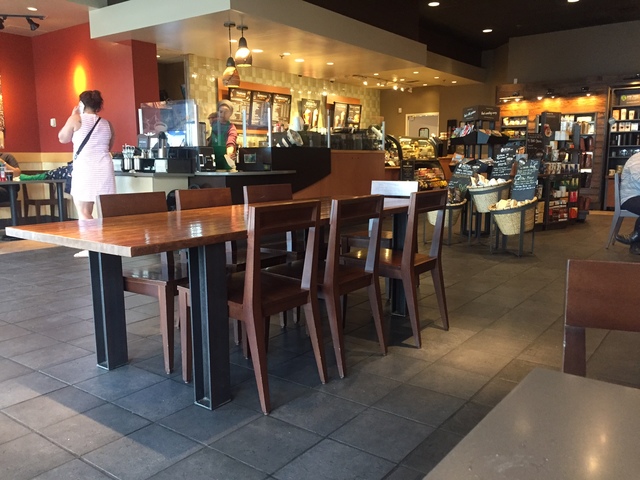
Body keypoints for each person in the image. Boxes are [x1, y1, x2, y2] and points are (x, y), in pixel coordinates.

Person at [58, 90, 115, 257]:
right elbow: (109, 145)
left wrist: (72, 116)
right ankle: (104, 244)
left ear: (81, 104)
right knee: (102, 209)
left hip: (85, 168)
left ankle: (93, 246)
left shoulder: (76, 119)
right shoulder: (107, 123)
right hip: (104, 168)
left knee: (83, 210)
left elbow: (62, 138)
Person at [615, 152, 640, 254]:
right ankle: (635, 240)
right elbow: (638, 179)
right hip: (630, 198)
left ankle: (635, 238)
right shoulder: (637, 159)